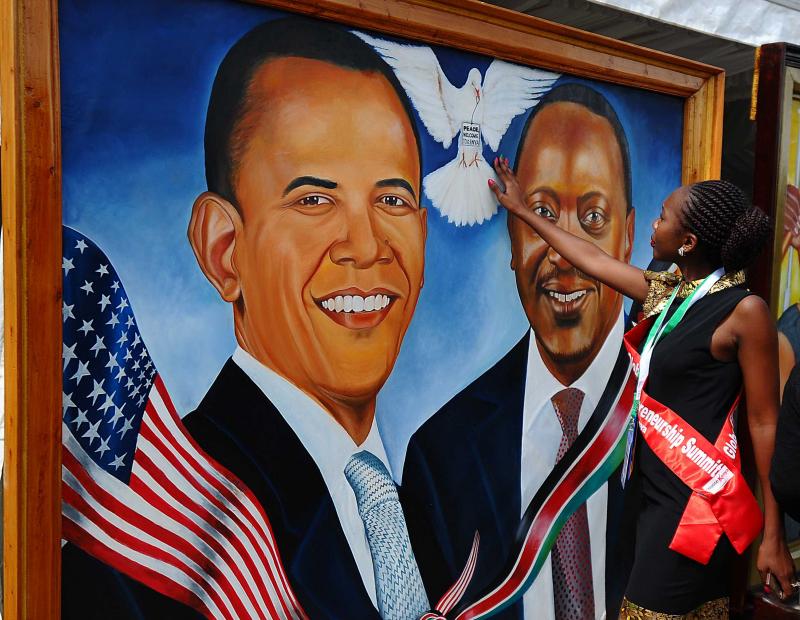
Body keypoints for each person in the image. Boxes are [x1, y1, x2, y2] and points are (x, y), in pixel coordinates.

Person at [62, 18, 431, 619]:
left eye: (392, 199)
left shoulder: (440, 496)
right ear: (224, 249)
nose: (367, 247)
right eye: (314, 200)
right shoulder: (142, 556)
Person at [488, 158, 795, 618]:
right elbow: (592, 259)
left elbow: (765, 423)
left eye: (663, 217)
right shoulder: (669, 294)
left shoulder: (744, 311)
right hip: (652, 497)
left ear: (688, 242)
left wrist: (773, 535)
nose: (654, 223)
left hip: (695, 507)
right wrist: (523, 211)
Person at [402, 83, 637, 620]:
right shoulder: (440, 458)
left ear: (627, 239)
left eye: (593, 218)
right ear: (513, 234)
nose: (564, 255)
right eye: (540, 213)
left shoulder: (676, 417)